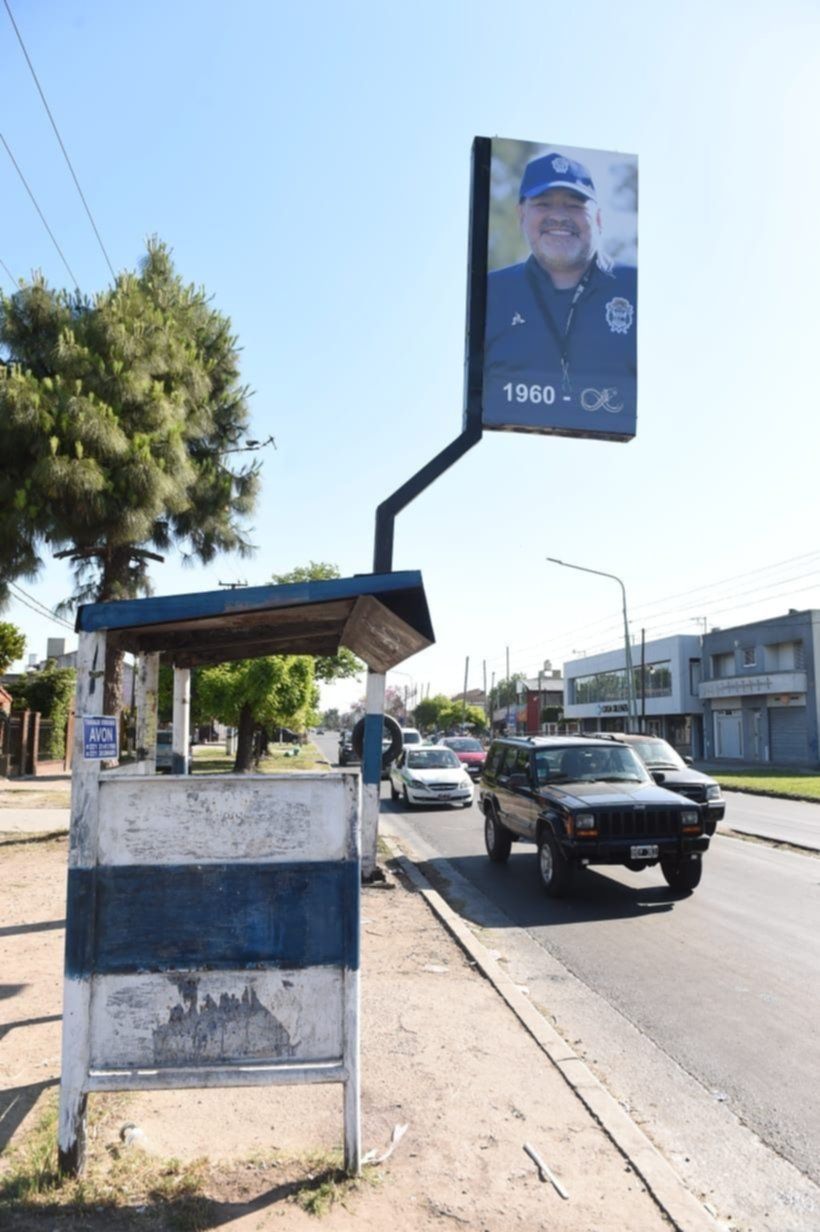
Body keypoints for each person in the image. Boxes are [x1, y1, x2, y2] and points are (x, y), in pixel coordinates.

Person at [482, 151, 637, 437]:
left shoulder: (637, 288)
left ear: (598, 218)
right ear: (521, 215)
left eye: (575, 205)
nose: (559, 216)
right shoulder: (489, 293)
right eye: (543, 204)